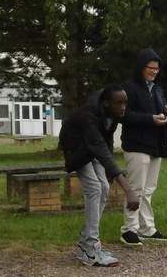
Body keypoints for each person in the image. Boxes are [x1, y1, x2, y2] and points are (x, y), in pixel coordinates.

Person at [59, 86, 141, 267]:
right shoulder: (89, 117)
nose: (123, 107)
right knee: (95, 188)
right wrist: (128, 190)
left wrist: (110, 172)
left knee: (104, 186)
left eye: (125, 103)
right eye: (119, 103)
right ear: (106, 104)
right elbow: (99, 147)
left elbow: (107, 143)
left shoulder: (111, 112)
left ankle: (86, 242)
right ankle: (90, 248)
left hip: (93, 147)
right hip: (77, 149)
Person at [119, 48, 167, 246]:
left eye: (157, 69)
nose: (154, 72)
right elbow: (124, 115)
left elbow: (160, 110)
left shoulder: (158, 89)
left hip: (155, 145)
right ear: (141, 67)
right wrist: (150, 119)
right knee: (135, 189)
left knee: (149, 189)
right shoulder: (129, 88)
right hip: (137, 145)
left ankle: (147, 228)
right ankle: (129, 230)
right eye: (150, 68)